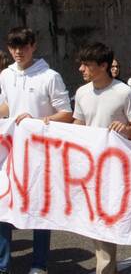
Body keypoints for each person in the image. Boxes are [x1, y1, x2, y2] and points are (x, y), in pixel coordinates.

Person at [0, 27, 73, 274]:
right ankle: (3, 264)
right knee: (3, 206)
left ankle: (39, 264)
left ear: (34, 46)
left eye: (23, 46)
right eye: (13, 47)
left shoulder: (50, 76)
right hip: (10, 153)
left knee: (40, 208)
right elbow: (7, 105)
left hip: (41, 155)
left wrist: (36, 121)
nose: (18, 51)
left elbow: (67, 114)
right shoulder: (6, 75)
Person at [72, 42, 131, 274]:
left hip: (115, 169)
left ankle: (105, 269)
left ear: (103, 66)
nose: (81, 69)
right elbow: (78, 125)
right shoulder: (82, 93)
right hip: (89, 168)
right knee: (94, 224)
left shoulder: (124, 92)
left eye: (87, 65)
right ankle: (107, 268)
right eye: (81, 64)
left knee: (107, 223)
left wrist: (126, 129)